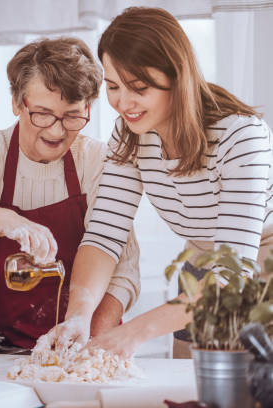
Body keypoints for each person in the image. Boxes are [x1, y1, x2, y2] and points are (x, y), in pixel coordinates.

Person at [51, 7, 273, 358]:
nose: (123, 103)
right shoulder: (131, 135)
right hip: (204, 262)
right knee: (186, 385)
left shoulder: (241, 135)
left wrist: (135, 332)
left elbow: (235, 271)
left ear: (177, 76)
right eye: (112, 86)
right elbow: (104, 235)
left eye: (138, 87)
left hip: (260, 264)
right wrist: (79, 314)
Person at [0, 37, 140, 349]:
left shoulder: (98, 160)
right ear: (16, 102)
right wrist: (7, 221)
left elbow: (123, 271)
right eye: (42, 113)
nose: (56, 131)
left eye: (71, 116)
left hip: (77, 355)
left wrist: (86, 343)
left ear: (88, 109)